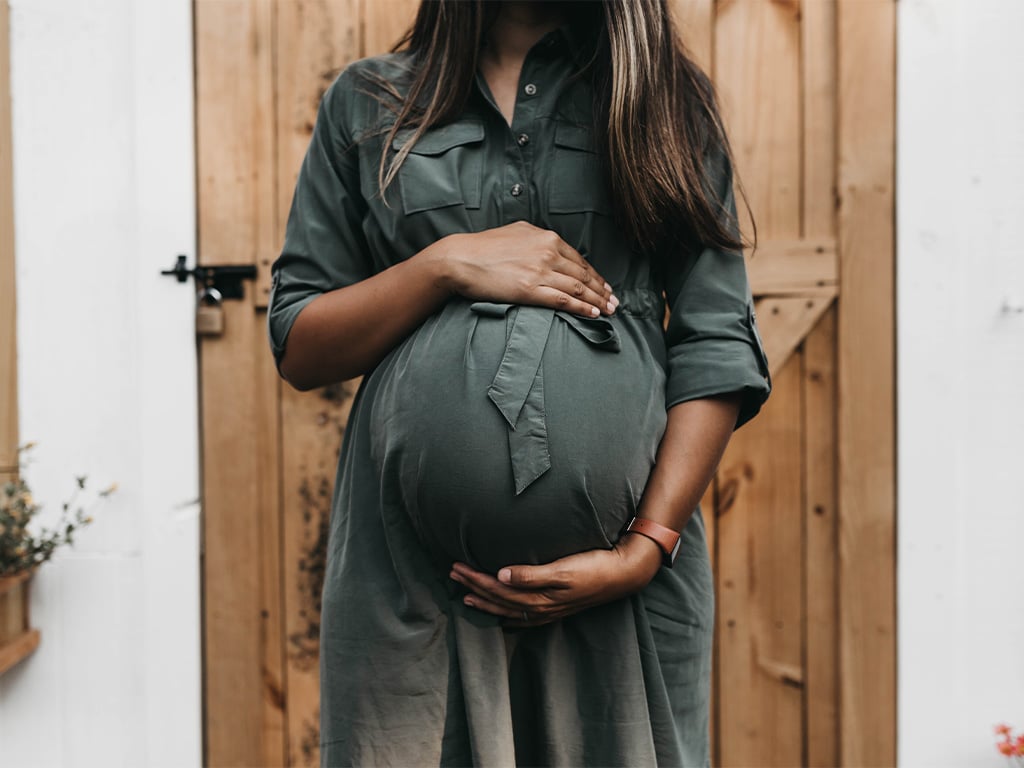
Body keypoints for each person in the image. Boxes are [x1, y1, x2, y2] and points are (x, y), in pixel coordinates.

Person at [268, 1, 771, 765]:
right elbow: (301, 344)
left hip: (624, 586)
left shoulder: (664, 99)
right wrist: (442, 265)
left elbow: (716, 340)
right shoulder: (367, 103)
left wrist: (644, 548)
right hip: (412, 587)